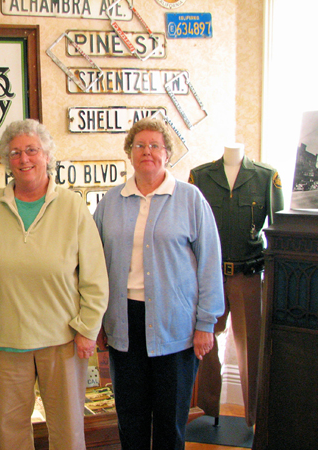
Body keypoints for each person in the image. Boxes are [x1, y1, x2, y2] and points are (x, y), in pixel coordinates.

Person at [0, 118, 109, 450]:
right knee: (10, 432)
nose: (24, 159)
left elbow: (95, 275)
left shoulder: (72, 206)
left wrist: (88, 328)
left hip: (63, 339)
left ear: (47, 155)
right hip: (5, 338)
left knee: (68, 432)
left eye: (32, 150)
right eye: (15, 153)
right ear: (6, 160)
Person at [93, 118, 225, 450]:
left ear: (167, 153)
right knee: (131, 418)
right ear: (129, 152)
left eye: (155, 146)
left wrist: (205, 324)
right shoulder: (111, 202)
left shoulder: (191, 199)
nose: (147, 152)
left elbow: (210, 264)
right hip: (124, 326)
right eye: (140, 145)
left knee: (170, 422)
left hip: (175, 328)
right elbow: (94, 266)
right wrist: (95, 321)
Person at [189, 144, 284, 427]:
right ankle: (205, 410)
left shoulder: (266, 176)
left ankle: (255, 418)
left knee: (252, 348)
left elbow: (278, 228)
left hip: (248, 275)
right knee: (202, 343)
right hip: (208, 276)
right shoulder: (201, 177)